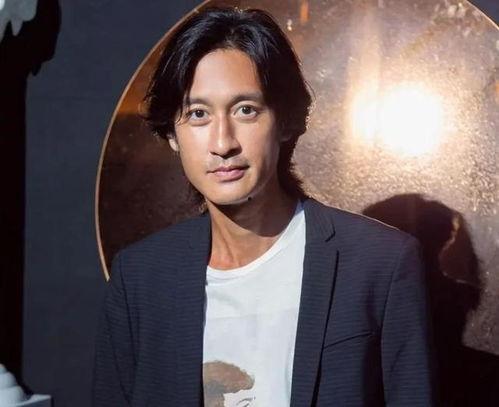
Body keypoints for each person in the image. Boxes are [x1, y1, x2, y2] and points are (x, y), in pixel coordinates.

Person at [92, 6, 436, 406]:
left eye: (246, 110)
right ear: (172, 134)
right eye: (199, 114)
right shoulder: (140, 278)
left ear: (286, 121)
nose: (223, 143)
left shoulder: (379, 263)